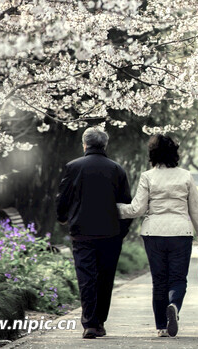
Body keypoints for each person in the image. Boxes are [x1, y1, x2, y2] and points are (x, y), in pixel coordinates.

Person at [118, 134, 198, 338]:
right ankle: (174, 306)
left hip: (154, 233)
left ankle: (161, 326)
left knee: (159, 281)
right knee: (178, 278)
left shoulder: (148, 176)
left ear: (152, 154)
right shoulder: (186, 176)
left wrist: (114, 209)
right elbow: (196, 209)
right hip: (180, 232)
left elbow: (137, 209)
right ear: (174, 153)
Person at [56, 127, 132, 339]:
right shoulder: (117, 169)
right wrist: (121, 232)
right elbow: (126, 205)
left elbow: (62, 197)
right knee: (106, 278)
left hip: (82, 232)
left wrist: (63, 217)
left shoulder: (73, 167)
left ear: (85, 144)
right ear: (105, 145)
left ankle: (89, 323)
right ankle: (99, 322)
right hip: (110, 234)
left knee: (86, 276)